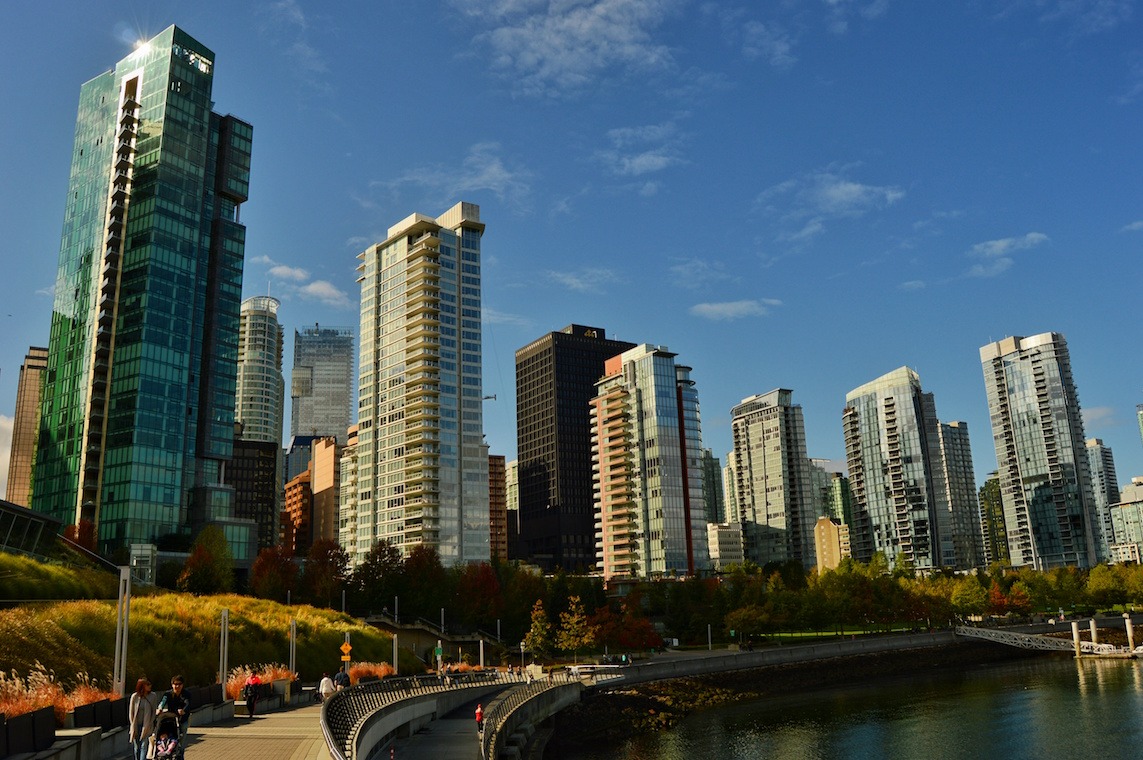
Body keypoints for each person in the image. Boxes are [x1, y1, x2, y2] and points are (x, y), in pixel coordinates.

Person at [157, 675, 190, 754]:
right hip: (171, 719)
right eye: (175, 684)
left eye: (179, 684)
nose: (177, 686)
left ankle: (180, 754)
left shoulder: (186, 694)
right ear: (172, 685)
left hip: (182, 719)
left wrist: (183, 710)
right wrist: (160, 708)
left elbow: (188, 704)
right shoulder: (168, 694)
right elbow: (163, 702)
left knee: (180, 744)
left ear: (182, 685)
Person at [128, 678, 156, 760]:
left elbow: (153, 711)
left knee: (144, 746)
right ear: (142, 686)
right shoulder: (135, 696)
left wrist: (150, 723)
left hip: (147, 726)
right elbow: (131, 712)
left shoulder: (153, 696)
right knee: (137, 748)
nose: (150, 686)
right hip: (136, 725)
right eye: (147, 685)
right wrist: (132, 724)